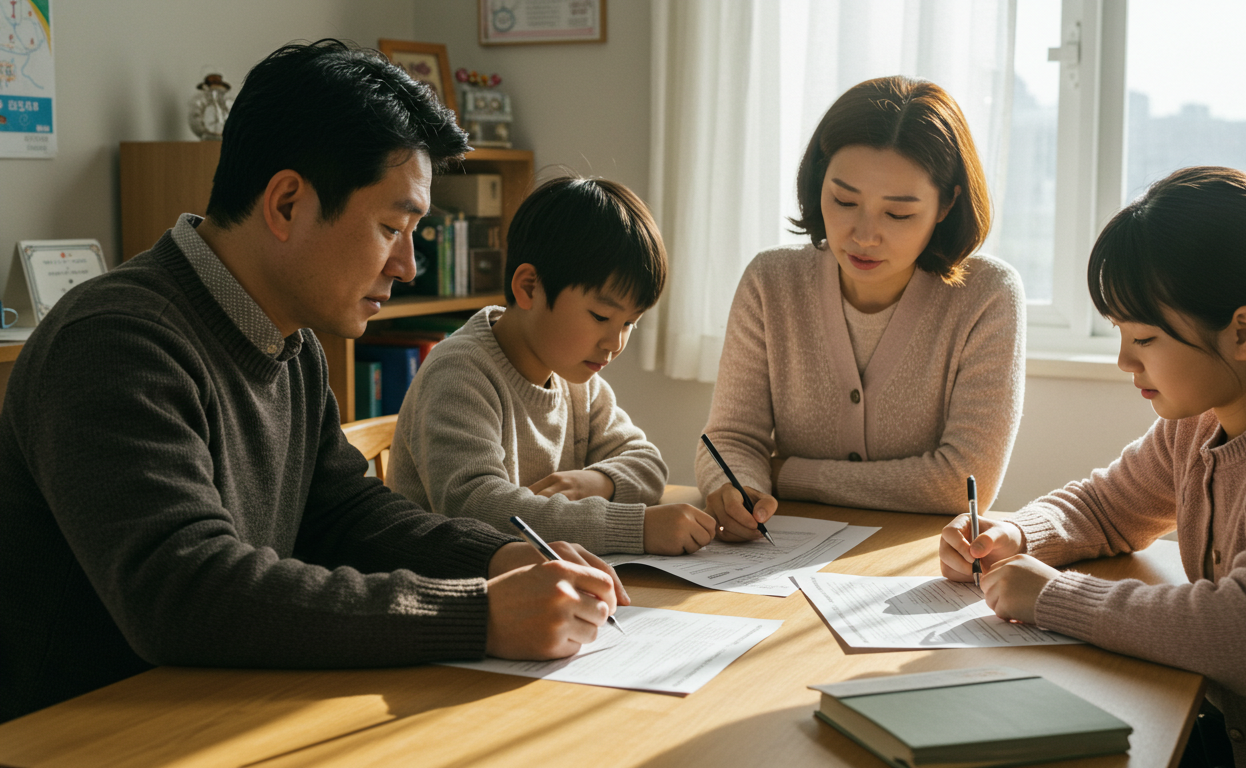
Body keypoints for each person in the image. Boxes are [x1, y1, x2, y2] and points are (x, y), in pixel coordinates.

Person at [0, 40, 628, 724]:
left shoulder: (287, 341)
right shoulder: (115, 341)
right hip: (85, 733)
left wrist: (498, 556)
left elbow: (342, 515)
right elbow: (183, 592)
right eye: (392, 226)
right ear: (287, 203)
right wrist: (477, 614)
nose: (408, 265)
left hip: (221, 707)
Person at [941, 167, 1246, 767]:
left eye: (1145, 338)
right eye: (1119, 333)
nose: (1122, 361)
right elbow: (1106, 508)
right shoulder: (1204, 419)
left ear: (1244, 332)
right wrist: (1015, 533)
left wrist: (1055, 595)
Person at [695, 75, 1025, 542]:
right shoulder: (771, 281)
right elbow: (730, 439)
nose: (864, 235)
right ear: (818, 181)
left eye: (898, 213)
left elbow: (963, 482)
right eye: (844, 200)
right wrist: (740, 486)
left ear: (947, 204)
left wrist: (789, 475)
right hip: (780, 554)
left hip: (919, 565)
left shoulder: (987, 295)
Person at [388, 176, 715, 556]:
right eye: (600, 316)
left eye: (629, 323)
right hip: (453, 591)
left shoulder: (577, 379)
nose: (615, 343)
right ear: (529, 288)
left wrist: (597, 482)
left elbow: (647, 464)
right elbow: (476, 509)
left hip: (535, 582)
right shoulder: (460, 374)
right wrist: (634, 528)